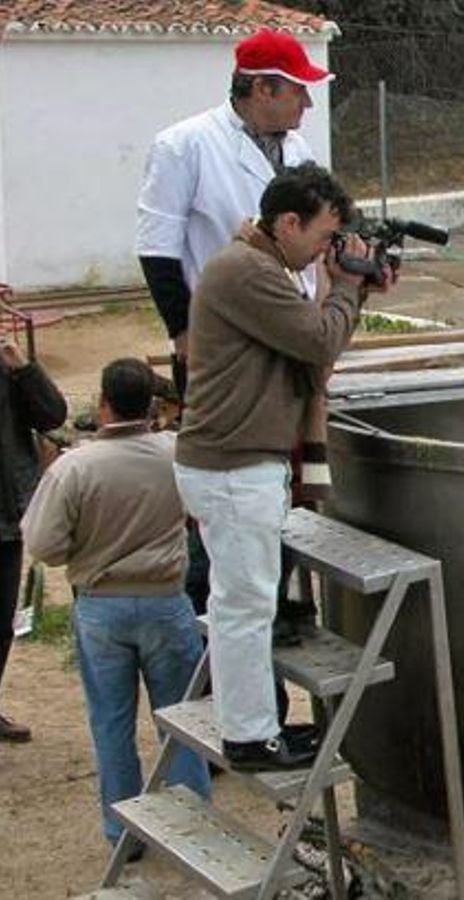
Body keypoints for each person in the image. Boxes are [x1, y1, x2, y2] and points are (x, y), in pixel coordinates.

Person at [174, 162, 381, 771]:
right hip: (235, 468)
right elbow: (319, 343)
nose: (325, 251)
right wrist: (346, 287)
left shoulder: (257, 267)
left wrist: (354, 290)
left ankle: (257, 727)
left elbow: (311, 347)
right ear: (288, 222)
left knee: (245, 602)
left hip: (236, 464)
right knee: (245, 608)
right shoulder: (247, 272)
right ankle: (250, 737)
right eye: (322, 238)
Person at [135, 27, 332, 628]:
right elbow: (158, 246)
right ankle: (207, 622)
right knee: (227, 493)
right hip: (223, 346)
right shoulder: (185, 145)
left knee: (288, 483)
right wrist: (183, 335)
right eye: (298, 91)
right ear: (262, 88)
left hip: (290, 333)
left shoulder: (296, 154)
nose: (307, 106)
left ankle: (280, 607)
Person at [21, 359, 210, 848]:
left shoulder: (73, 468)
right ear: (151, 404)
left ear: (103, 404)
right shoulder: (175, 453)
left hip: (102, 606)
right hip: (166, 600)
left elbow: (44, 545)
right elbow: (204, 508)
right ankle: (195, 828)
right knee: (182, 717)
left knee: (111, 722)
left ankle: (124, 833)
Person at [0, 285, 68, 744]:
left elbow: (52, 414)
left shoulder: (8, 365)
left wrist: (23, 368)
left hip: (6, 513)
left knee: (1, 620)